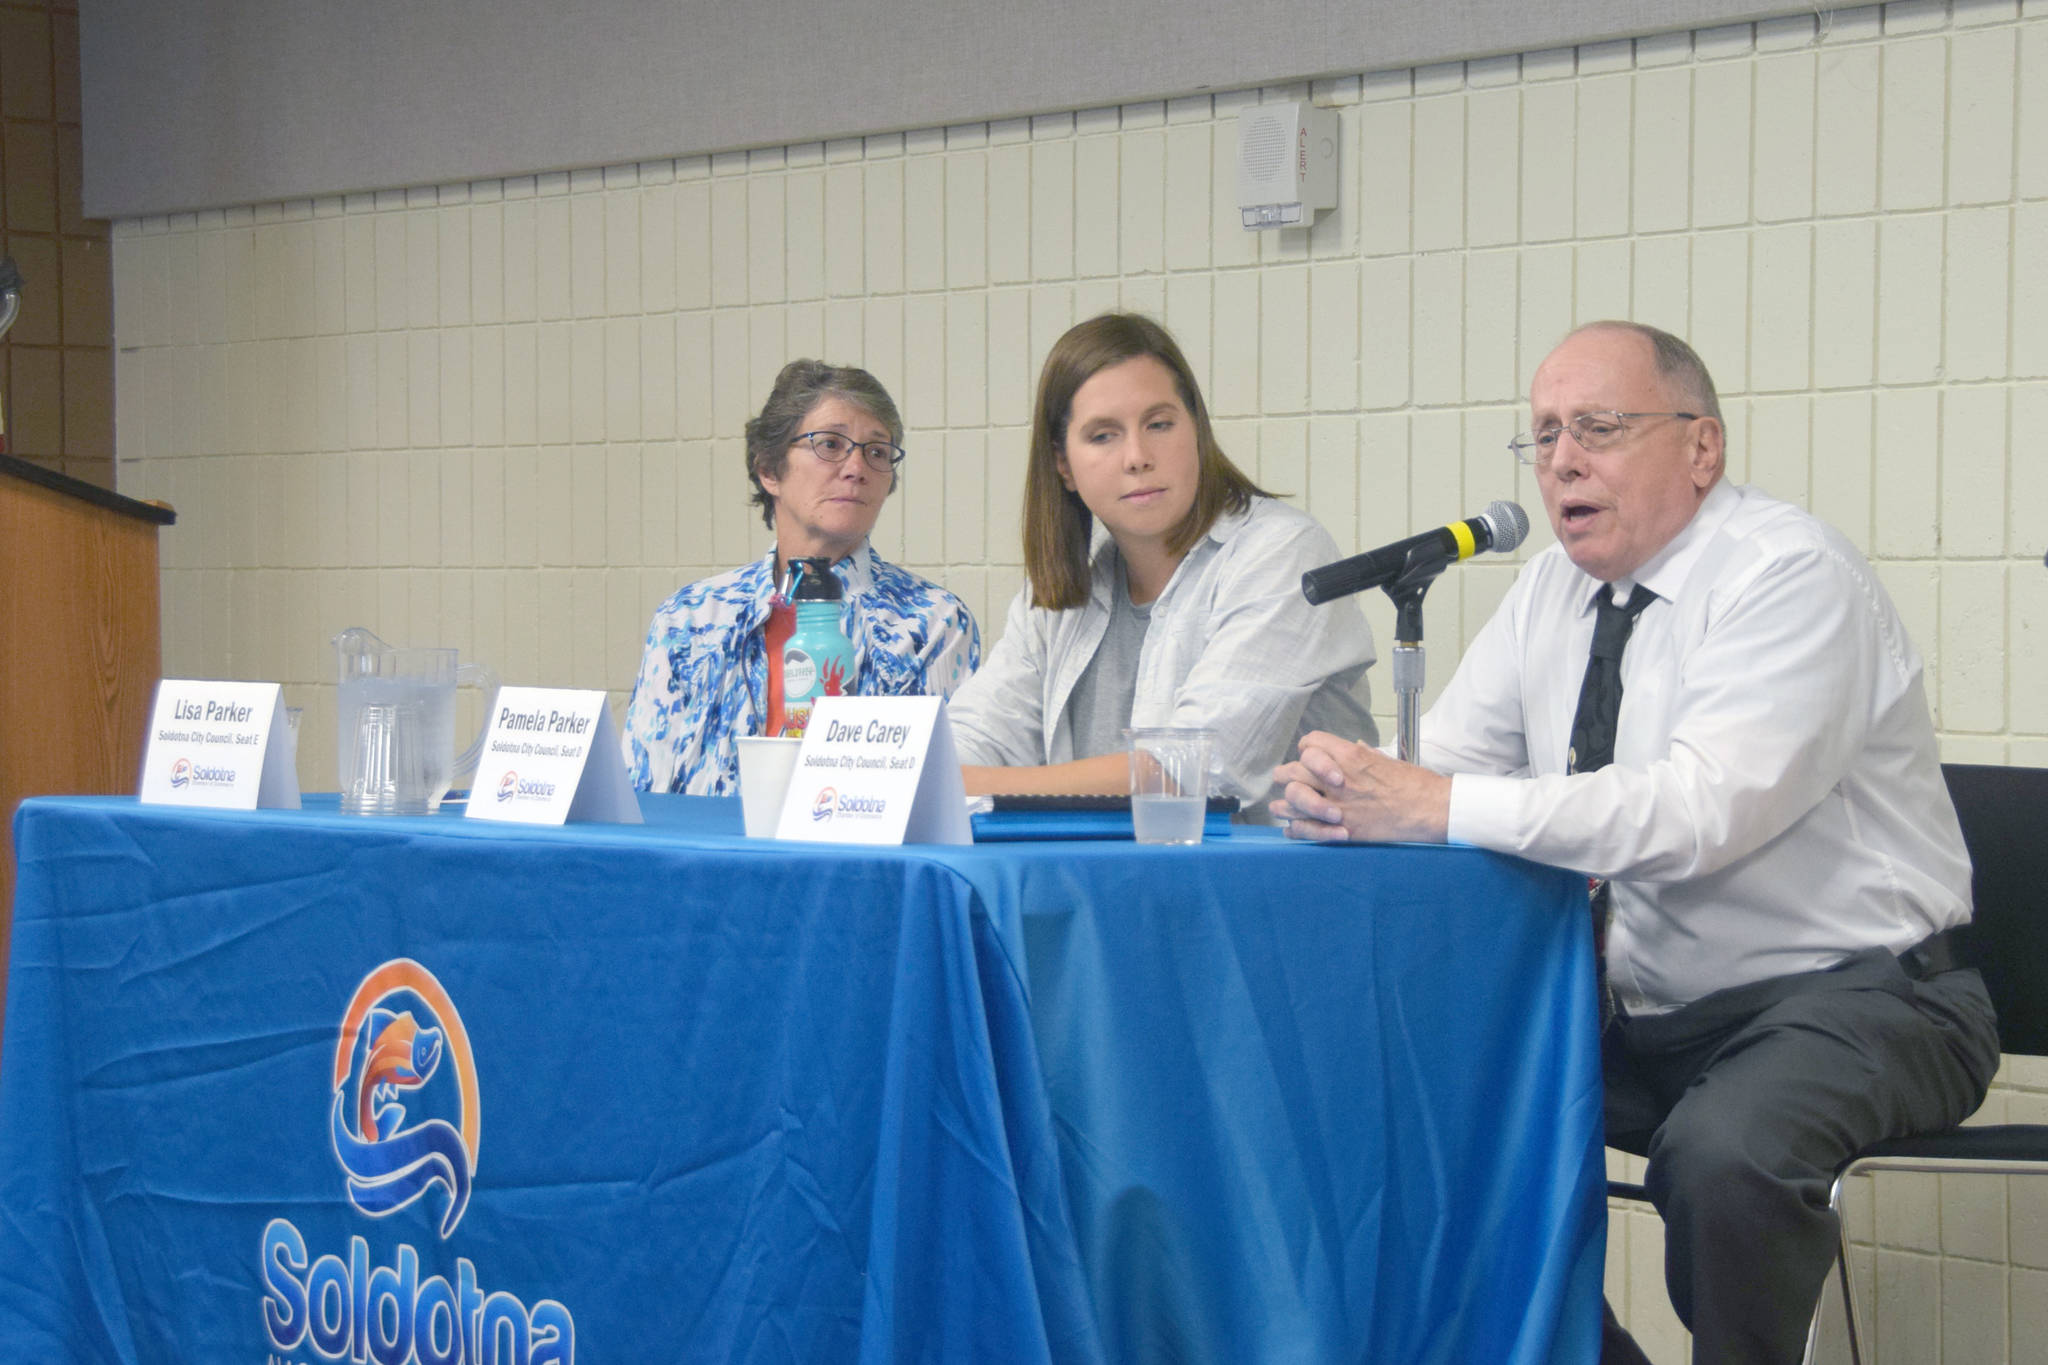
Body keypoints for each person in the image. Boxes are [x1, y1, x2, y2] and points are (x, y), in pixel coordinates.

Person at [1271, 321, 1998, 1364]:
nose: (1563, 459)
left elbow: (1696, 813)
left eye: (1598, 428)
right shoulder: (1547, 595)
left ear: (1700, 448)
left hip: (1865, 1000)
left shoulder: (1786, 577)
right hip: (1649, 1016)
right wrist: (1343, 785)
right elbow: (1447, 764)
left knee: (1722, 1155)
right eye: (1544, 434)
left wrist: (1428, 803)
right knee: (1421, 1116)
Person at [948, 312, 1376, 805]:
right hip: (1103, 878)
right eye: (1103, 435)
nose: (1137, 456)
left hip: (1263, 880)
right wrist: (942, 772)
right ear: (1063, 465)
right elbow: (975, 738)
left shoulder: (1282, 554)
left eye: (1159, 424)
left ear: (1196, 430)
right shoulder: (1054, 597)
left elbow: (1189, 774)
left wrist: (976, 785)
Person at [623, 360, 979, 795]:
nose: (856, 467)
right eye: (830, 444)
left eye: (877, 452)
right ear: (769, 471)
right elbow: (641, 794)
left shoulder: (931, 623)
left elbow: (940, 794)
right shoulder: (689, 619)